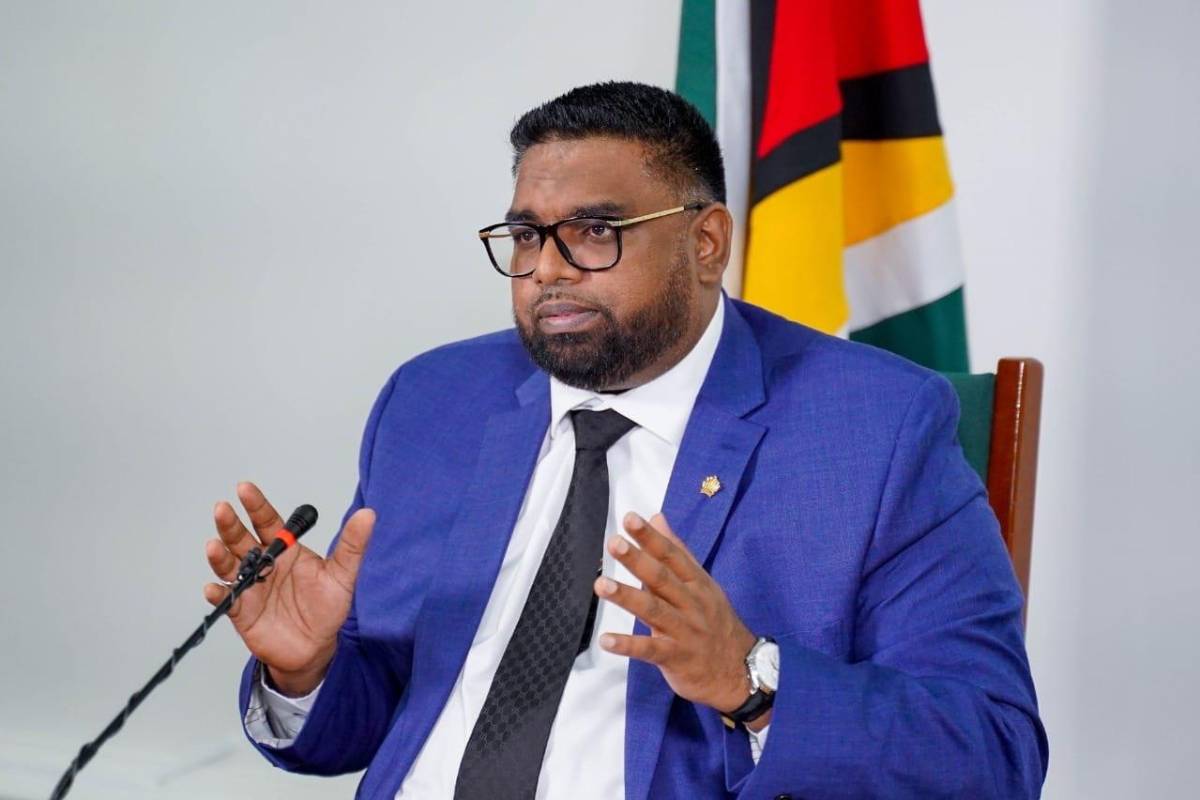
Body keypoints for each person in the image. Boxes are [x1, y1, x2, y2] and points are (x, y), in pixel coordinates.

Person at [203, 81, 1047, 799]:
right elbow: (364, 730)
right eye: (527, 236)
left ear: (705, 243)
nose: (547, 269)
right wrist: (306, 671)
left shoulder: (876, 426)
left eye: (595, 232)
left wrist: (750, 679)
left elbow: (993, 752)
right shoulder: (434, 402)